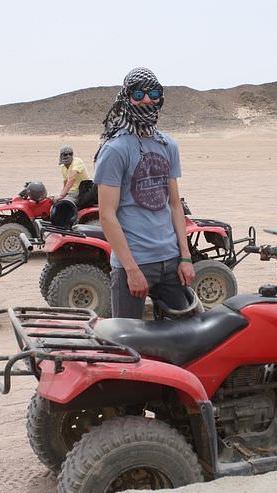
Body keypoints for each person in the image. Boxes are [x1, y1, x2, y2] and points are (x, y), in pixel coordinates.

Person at [93, 67, 195, 319]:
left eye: (153, 92)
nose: (147, 100)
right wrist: (131, 269)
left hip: (171, 261)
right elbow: (107, 215)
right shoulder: (115, 149)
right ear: (126, 98)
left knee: (188, 335)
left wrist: (185, 257)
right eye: (138, 94)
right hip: (135, 262)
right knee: (127, 344)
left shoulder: (167, 144)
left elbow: (174, 204)